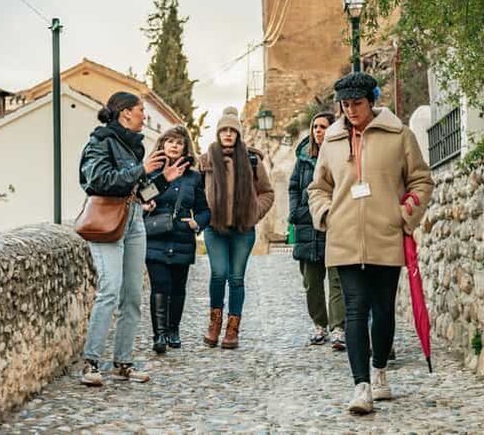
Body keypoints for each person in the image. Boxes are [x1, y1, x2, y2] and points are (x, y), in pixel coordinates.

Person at [308, 72, 434, 414]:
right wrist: (326, 214)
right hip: (344, 237)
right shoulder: (332, 142)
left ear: (371, 101)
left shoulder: (399, 136)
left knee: (383, 310)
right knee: (354, 309)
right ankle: (360, 386)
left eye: (357, 104)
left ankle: (379, 371)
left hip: (386, 235)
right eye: (345, 105)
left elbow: (422, 180)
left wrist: (404, 214)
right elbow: (318, 187)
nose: (350, 111)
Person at [78, 92, 188, 387]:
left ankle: (123, 364)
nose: (144, 116)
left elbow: (138, 192)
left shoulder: (134, 147)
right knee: (110, 291)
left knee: (132, 296)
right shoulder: (100, 142)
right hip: (107, 223)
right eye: (141, 111)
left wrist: (166, 179)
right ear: (125, 113)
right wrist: (143, 169)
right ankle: (91, 363)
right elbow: (98, 181)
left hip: (134, 220)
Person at [199, 107, 274, 349]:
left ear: (238, 134)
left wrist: (253, 213)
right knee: (219, 273)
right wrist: (202, 213)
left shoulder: (252, 160)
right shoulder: (206, 160)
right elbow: (195, 192)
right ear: (218, 133)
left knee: (237, 278)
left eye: (233, 130)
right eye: (224, 130)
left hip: (243, 229)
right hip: (214, 228)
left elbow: (267, 193)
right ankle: (214, 324)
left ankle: (232, 330)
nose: (228, 134)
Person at [143, 126, 210, 353]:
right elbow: (139, 200)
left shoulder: (194, 177)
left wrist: (197, 223)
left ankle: (173, 330)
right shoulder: (151, 174)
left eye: (178, 142)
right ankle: (159, 335)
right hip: (156, 236)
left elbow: (204, 210)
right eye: (169, 141)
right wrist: (146, 205)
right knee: (160, 285)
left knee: (178, 287)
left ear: (185, 148)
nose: (173, 146)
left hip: (182, 237)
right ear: (162, 145)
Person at [288, 111, 346, 350]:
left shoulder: (341, 154)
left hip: (334, 225)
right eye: (315, 127)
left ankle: (338, 329)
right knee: (311, 282)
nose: (318, 131)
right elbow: (293, 187)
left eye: (323, 126)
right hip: (307, 227)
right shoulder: (303, 158)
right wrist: (295, 212)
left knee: (337, 281)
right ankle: (319, 325)